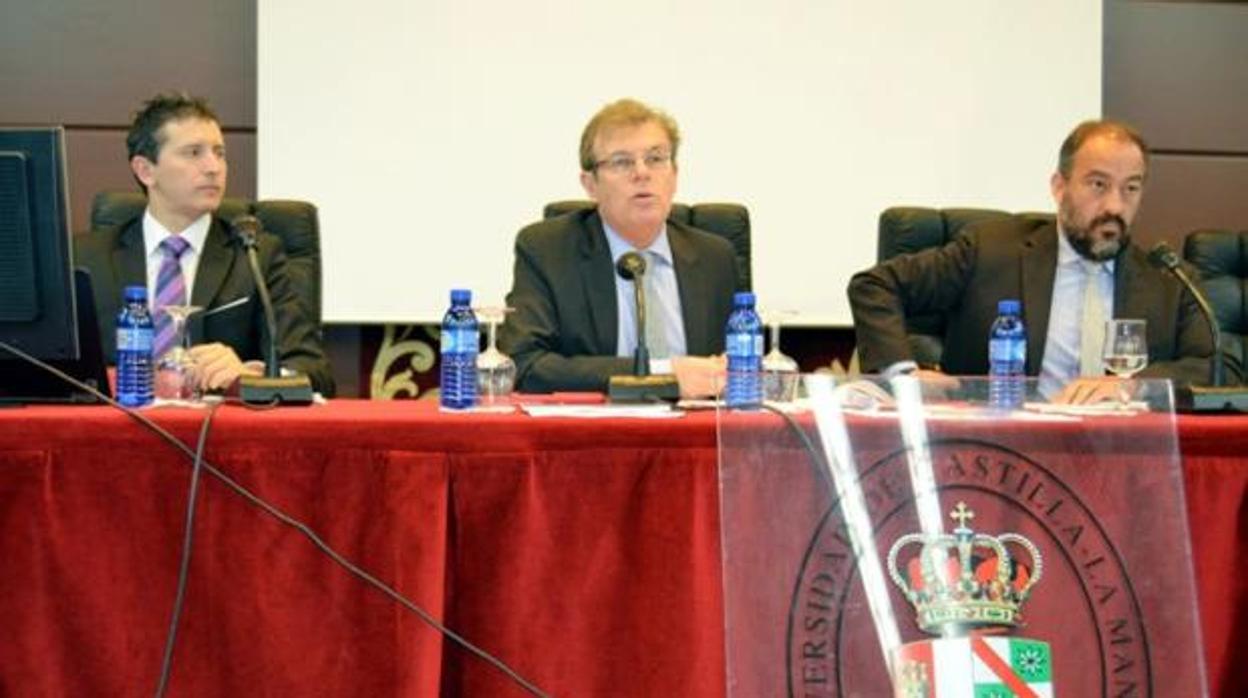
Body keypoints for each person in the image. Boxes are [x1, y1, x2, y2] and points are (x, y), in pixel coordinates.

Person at [848, 119, 1236, 403]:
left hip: (1119, 461)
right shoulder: (991, 250)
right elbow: (875, 286)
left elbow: (1220, 369)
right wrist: (903, 376)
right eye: (1098, 185)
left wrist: (1132, 384)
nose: (1115, 205)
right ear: (1059, 187)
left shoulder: (1168, 278)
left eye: (1130, 188)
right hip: (999, 453)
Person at [75, 92, 334, 396]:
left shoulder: (255, 255)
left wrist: (251, 373)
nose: (214, 167)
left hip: (218, 436)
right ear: (146, 170)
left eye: (219, 152)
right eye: (194, 153)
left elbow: (314, 372)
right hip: (113, 431)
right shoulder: (87, 257)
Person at [499, 98, 742, 396]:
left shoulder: (715, 257)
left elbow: (736, 365)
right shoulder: (548, 250)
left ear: (674, 175)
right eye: (622, 161)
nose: (642, 173)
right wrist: (664, 374)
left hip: (694, 434)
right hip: (595, 436)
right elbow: (524, 365)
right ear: (590, 184)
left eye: (656, 158)